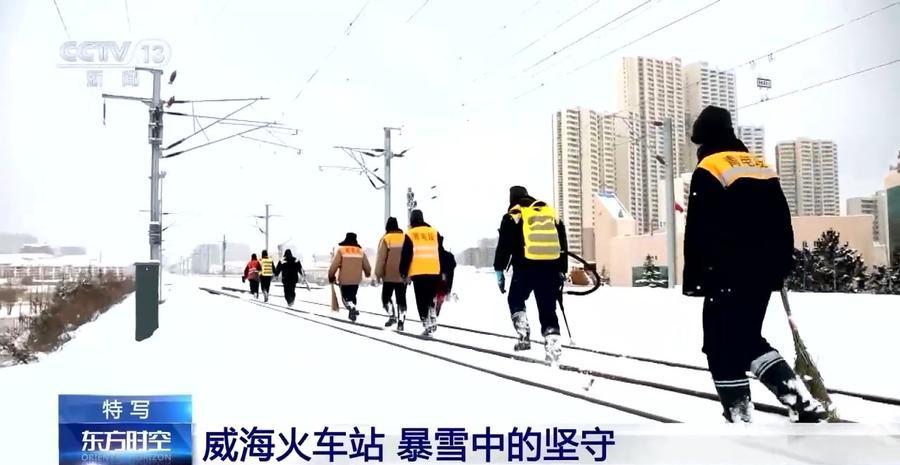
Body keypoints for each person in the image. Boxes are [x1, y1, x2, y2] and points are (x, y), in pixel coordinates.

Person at [683, 105, 827, 424]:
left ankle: (740, 416)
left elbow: (700, 230)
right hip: (762, 273)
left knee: (719, 344)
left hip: (726, 273)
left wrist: (696, 280)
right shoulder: (761, 166)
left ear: (704, 139)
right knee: (746, 339)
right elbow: (782, 221)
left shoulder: (709, 167)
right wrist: (780, 267)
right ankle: (801, 401)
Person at [493, 185, 568, 363]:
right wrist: (561, 269)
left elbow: (504, 245)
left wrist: (499, 269)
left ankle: (523, 335)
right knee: (548, 307)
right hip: (550, 267)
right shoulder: (548, 212)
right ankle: (553, 345)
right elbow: (562, 242)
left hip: (525, 267)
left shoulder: (515, 214)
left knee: (515, 299)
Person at [400, 209, 444, 336]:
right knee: (430, 295)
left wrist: (403, 272)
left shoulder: (410, 234)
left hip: (418, 272)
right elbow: (440, 252)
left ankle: (426, 322)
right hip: (434, 270)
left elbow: (406, 255)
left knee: (421, 298)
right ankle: (432, 310)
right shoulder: (434, 232)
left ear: (412, 220)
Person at [328, 233, 372, 321]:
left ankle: (352, 308)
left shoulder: (341, 250)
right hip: (356, 280)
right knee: (352, 295)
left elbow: (334, 265)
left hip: (344, 280)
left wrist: (331, 276)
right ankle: (352, 313)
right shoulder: (360, 251)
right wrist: (367, 273)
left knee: (345, 297)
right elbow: (367, 266)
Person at [374, 217, 408, 330]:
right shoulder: (405, 237)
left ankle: (392, 315)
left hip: (388, 275)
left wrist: (378, 274)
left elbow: (381, 259)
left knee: (385, 298)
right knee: (401, 299)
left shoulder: (386, 238)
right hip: (402, 275)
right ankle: (401, 321)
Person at [435, 234, 457, 317]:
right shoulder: (449, 256)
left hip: (435, 280)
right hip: (443, 282)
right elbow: (452, 267)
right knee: (439, 296)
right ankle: (435, 311)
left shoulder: (431, 255)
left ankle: (434, 312)